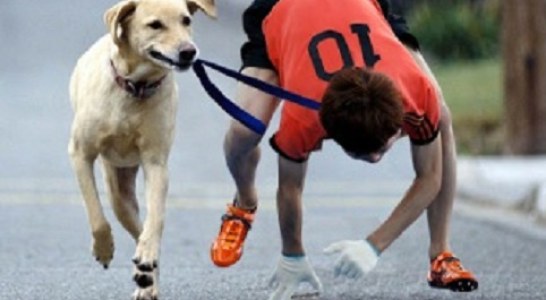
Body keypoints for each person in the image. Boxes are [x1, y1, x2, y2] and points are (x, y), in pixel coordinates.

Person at [209, 0, 478, 297]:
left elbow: (430, 178)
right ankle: (244, 204)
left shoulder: (417, 92)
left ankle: (441, 254)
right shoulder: (301, 119)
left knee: (441, 116)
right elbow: (289, 188)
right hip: (281, 8)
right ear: (327, 134)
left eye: (382, 147)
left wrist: (374, 245)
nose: (375, 159)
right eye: (363, 155)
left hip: (362, 8)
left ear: (398, 119)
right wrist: (292, 256)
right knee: (244, 131)